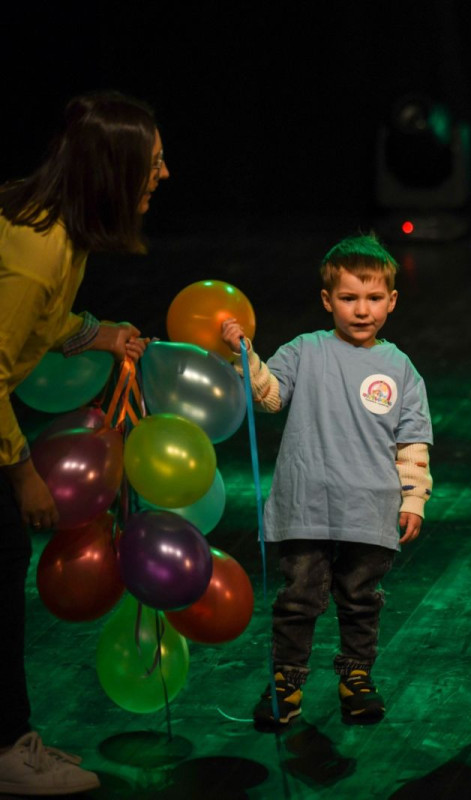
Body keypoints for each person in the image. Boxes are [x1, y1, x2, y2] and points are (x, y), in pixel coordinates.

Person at [0, 91, 161, 796]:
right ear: (115, 173)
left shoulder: (58, 236)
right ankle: (6, 749)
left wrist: (97, 333)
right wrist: (22, 471)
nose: (164, 174)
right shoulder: (37, 253)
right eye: (152, 164)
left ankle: (9, 738)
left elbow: (45, 320)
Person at [220, 234, 433, 728]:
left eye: (374, 298)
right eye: (349, 298)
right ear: (327, 300)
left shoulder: (400, 368)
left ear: (392, 301)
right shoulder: (306, 350)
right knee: (299, 599)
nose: (363, 310)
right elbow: (269, 396)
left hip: (369, 509)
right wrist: (244, 356)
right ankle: (287, 681)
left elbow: (413, 442)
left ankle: (356, 677)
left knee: (361, 600)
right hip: (307, 504)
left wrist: (414, 499)